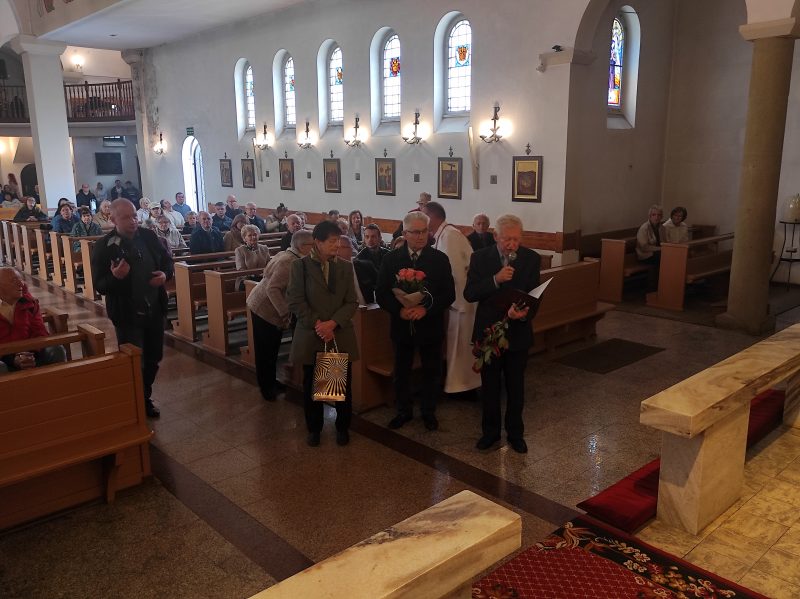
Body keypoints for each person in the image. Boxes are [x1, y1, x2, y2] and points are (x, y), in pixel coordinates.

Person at [464, 214, 541, 454]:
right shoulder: (480, 257)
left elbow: (535, 296)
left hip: (518, 332)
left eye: (517, 239)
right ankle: (490, 433)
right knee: (490, 386)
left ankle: (516, 434)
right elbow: (470, 293)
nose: (512, 244)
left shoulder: (531, 258)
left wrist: (523, 313)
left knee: (516, 386)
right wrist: (495, 280)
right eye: (507, 239)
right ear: (496, 236)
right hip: (489, 332)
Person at [91, 199, 173, 418]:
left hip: (154, 308)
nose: (133, 221)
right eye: (126, 217)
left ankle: (143, 394)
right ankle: (136, 400)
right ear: (113, 219)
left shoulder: (149, 236)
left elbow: (167, 262)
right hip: (127, 313)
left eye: (135, 215)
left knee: (154, 357)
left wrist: (165, 275)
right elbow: (100, 285)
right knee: (134, 360)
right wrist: (116, 277)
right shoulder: (104, 246)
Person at [376, 211, 455, 431]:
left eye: (424, 231)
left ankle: (428, 411)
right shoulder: (391, 259)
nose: (421, 236)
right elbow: (381, 293)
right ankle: (403, 410)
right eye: (416, 232)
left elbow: (449, 294)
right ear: (405, 233)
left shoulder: (439, 259)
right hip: (402, 325)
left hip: (430, 325)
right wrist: (399, 310)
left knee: (432, 371)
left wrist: (425, 309)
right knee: (402, 371)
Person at [286, 220, 360, 447]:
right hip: (312, 334)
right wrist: (319, 324)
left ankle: (342, 428)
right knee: (312, 386)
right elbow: (295, 300)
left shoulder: (345, 267)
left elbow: (352, 302)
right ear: (317, 242)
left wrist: (333, 323)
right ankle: (314, 429)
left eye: (338, 240)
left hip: (337, 333)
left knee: (341, 385)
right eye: (332, 241)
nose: (337, 245)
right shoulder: (300, 266)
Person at [246, 229, 313, 401]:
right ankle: (266, 388)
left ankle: (271, 382)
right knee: (265, 351)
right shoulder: (289, 261)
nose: (314, 248)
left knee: (272, 348)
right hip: (264, 309)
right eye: (312, 245)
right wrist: (285, 313)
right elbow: (272, 289)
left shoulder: (290, 255)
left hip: (267, 307)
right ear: (302, 246)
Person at [423, 201, 481, 396]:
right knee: (457, 347)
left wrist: (451, 303)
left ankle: (463, 387)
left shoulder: (449, 236)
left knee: (461, 347)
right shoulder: (443, 234)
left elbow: (456, 274)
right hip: (456, 302)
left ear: (431, 217)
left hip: (461, 303)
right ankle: (460, 385)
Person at [0, 267, 66, 374]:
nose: (21, 284)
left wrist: (29, 355)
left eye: (20, 279)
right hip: (4, 359)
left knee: (57, 350)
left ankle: (62, 383)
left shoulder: (29, 303)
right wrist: (13, 359)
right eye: (13, 281)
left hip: (32, 353)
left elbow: (40, 332)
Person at [354, 223, 388, 303]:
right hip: (371, 296)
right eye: (367, 237)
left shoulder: (388, 254)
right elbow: (366, 285)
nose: (370, 240)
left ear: (380, 238)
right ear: (364, 239)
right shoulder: (359, 259)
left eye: (373, 236)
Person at [336, 235, 366, 305]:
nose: (337, 251)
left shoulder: (364, 266)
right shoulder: (331, 269)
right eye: (336, 247)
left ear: (350, 249)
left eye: (342, 247)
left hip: (369, 307)